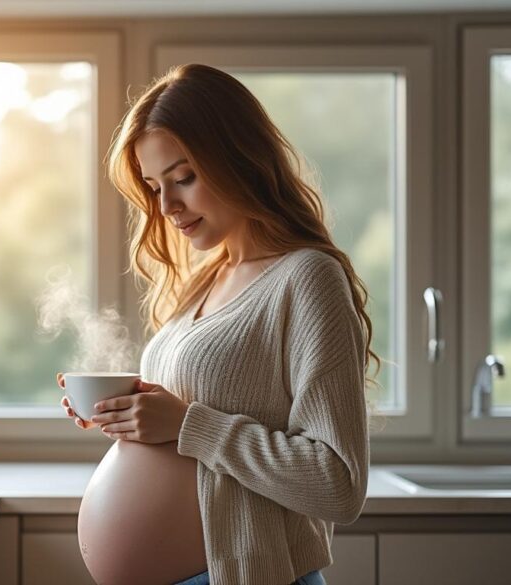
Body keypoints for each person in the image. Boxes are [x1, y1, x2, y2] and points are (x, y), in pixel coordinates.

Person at [59, 63, 376, 585]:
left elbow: (339, 485)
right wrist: (128, 415)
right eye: (154, 185)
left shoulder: (306, 278)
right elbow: (190, 433)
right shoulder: (205, 279)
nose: (167, 206)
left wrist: (185, 426)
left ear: (241, 159)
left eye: (184, 178)